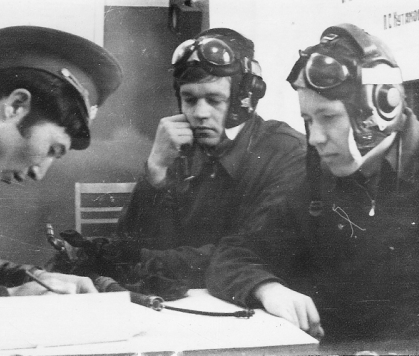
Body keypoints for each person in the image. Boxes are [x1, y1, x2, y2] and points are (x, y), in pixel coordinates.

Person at [206, 23, 419, 343]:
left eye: (329, 117)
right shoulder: (318, 181)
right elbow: (234, 253)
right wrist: (267, 289)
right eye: (308, 120)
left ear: (382, 106)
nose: (315, 137)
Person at [0, 25, 122, 348]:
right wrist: (3, 302)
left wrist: (30, 277)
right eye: (52, 150)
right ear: (16, 105)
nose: (40, 173)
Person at [113, 28, 317, 326]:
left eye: (214, 99)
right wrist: (155, 170)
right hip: (179, 308)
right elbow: (131, 242)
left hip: (254, 315)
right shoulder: (178, 149)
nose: (199, 113)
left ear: (244, 99)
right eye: (189, 99)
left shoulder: (287, 152)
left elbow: (246, 253)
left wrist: (137, 261)